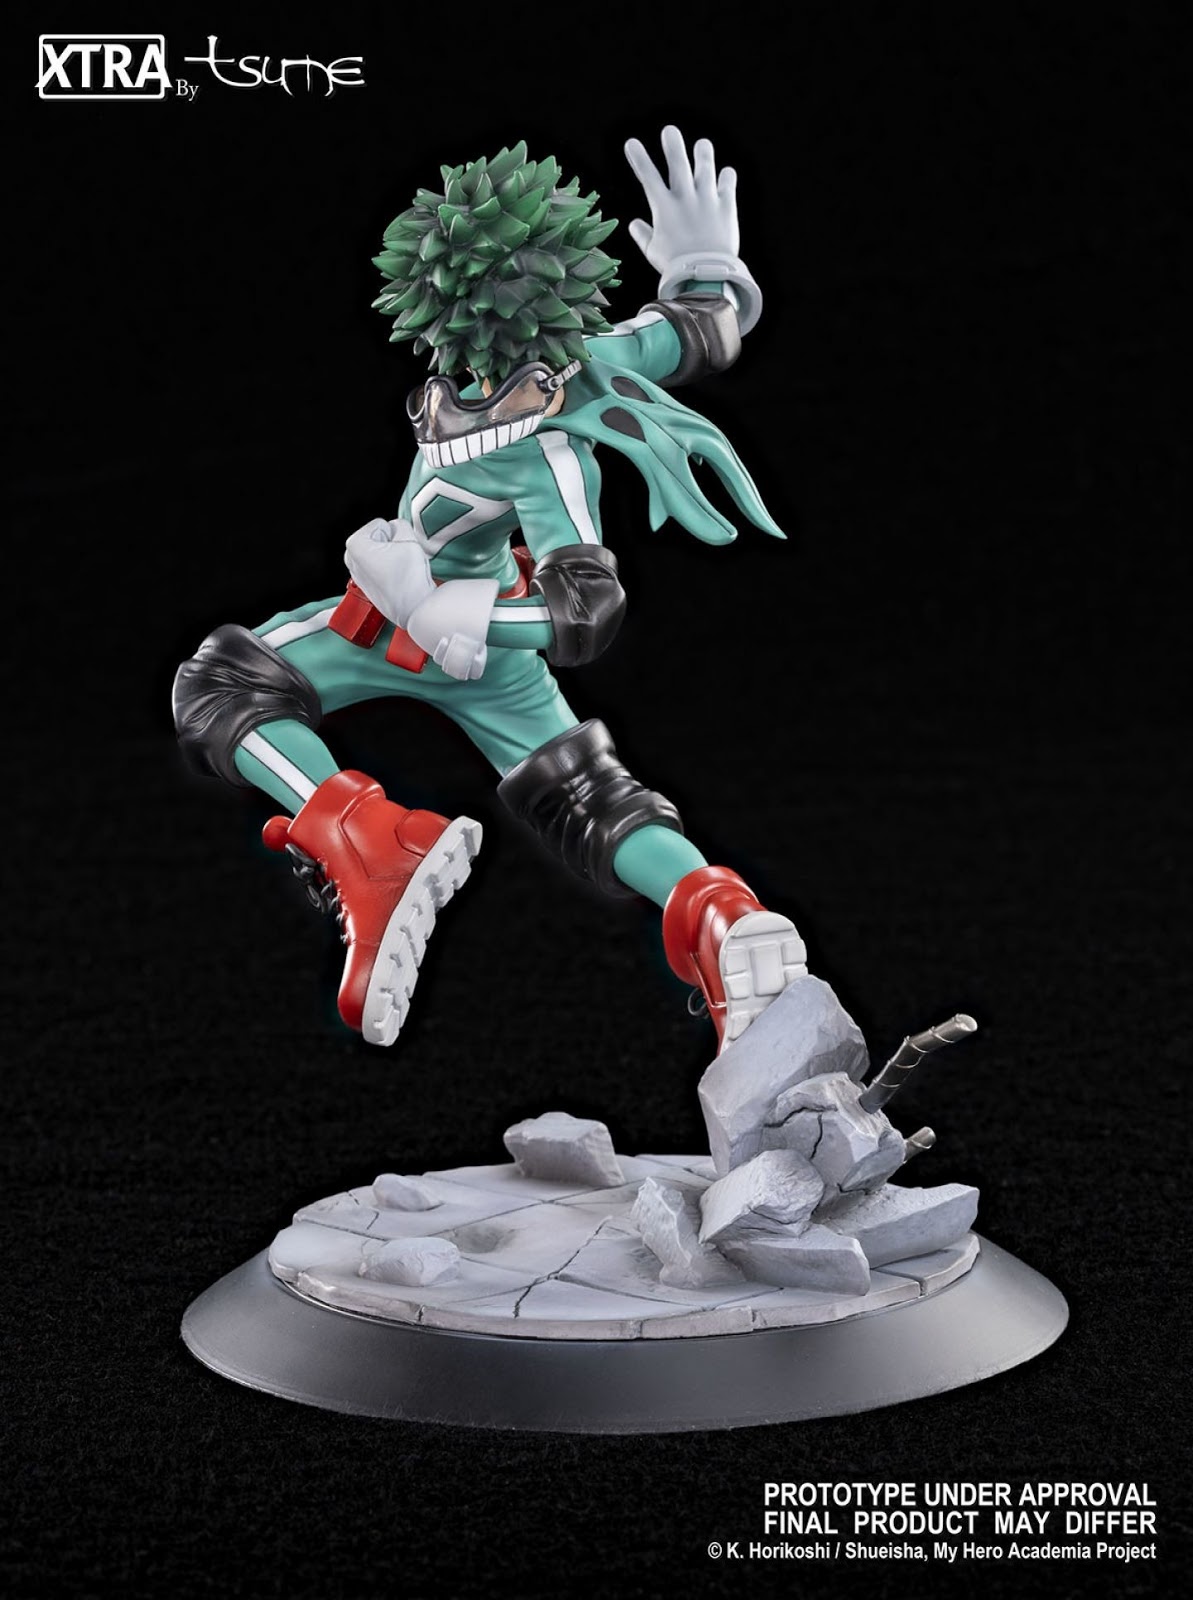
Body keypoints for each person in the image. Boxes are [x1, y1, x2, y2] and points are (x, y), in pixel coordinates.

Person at [173, 128, 807, 1050]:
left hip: (435, 628)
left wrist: (451, 612)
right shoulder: (579, 355)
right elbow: (691, 332)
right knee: (585, 795)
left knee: (223, 686)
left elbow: (584, 610)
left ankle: (369, 842)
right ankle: (714, 908)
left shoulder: (547, 453)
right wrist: (705, 269)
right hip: (419, 624)